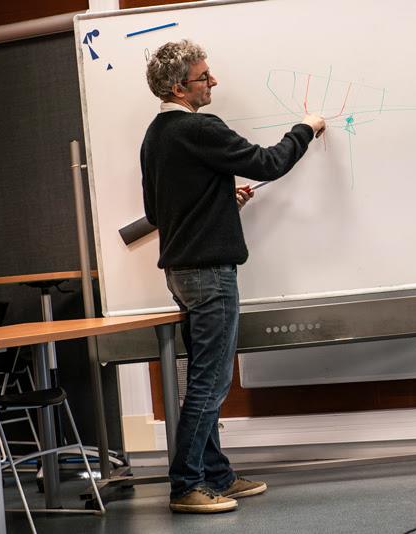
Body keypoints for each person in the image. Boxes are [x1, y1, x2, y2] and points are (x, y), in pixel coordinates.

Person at [141, 40, 325, 514]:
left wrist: (222, 203)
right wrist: (304, 129)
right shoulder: (199, 127)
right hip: (208, 274)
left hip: (183, 272)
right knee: (210, 383)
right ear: (180, 86)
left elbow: (155, 209)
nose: (214, 81)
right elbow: (269, 163)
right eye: (205, 76)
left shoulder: (155, 136)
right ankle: (186, 486)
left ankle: (217, 474)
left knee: (204, 378)